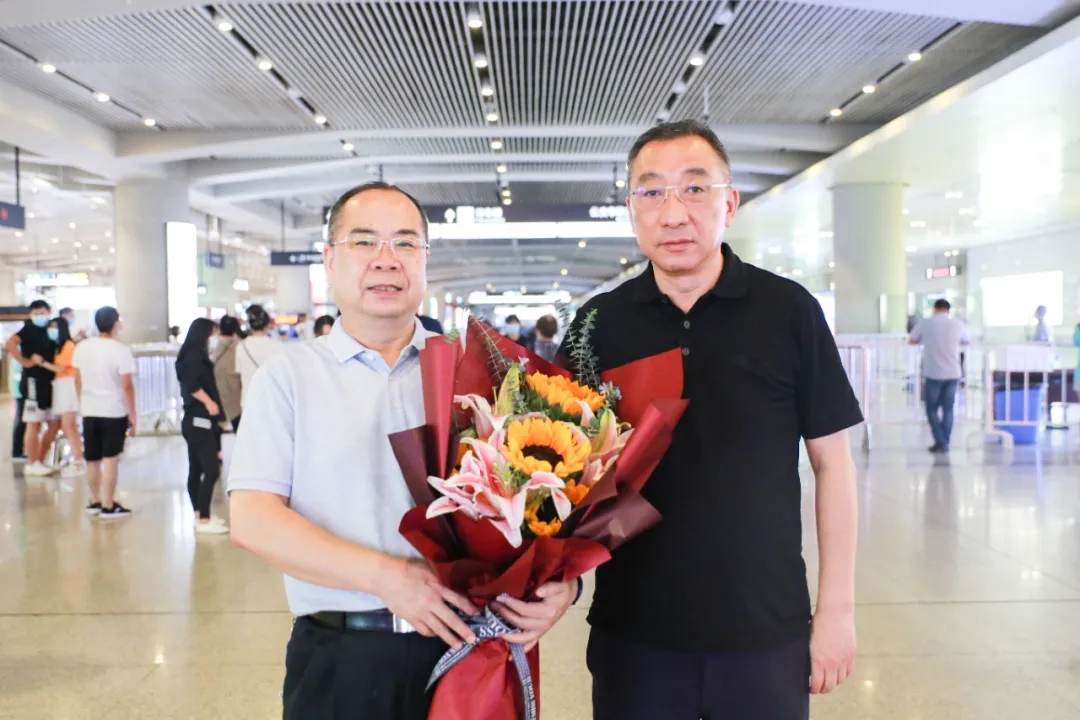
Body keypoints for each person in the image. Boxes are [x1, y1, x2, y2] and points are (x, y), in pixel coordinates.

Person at [228, 182, 577, 719]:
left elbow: (546, 496)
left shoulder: (479, 373)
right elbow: (253, 519)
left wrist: (562, 585)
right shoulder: (288, 377)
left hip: (472, 649)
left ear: (425, 260)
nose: (386, 259)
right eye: (364, 241)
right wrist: (387, 578)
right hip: (342, 658)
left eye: (406, 243)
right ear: (329, 259)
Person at [561, 120, 862, 720]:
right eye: (652, 192)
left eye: (695, 189)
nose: (673, 213)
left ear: (729, 203)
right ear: (632, 209)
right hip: (633, 635)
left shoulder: (789, 311)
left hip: (765, 632)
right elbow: (565, 481)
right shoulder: (598, 324)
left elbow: (833, 466)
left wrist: (836, 611)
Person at [72, 307, 136, 519]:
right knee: (110, 459)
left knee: (92, 459)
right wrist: (133, 414)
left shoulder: (82, 347)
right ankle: (108, 505)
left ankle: (94, 500)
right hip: (113, 411)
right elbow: (127, 386)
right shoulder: (121, 350)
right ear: (115, 324)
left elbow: (77, 379)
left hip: (89, 410)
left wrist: (83, 401)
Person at [177, 318, 229, 534]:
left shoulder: (193, 355)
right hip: (199, 420)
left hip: (197, 420)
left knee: (197, 468)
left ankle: (200, 514)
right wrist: (209, 402)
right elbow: (192, 384)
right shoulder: (193, 358)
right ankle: (204, 518)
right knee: (211, 469)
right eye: (212, 333)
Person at [6, 300, 60, 477]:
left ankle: (40, 459)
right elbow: (10, 343)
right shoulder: (28, 330)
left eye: (42, 312)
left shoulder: (50, 331)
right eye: (36, 313)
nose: (40, 316)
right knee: (33, 423)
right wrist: (24, 361)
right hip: (33, 382)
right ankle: (32, 462)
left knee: (54, 423)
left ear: (49, 312)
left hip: (49, 382)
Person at [910, 299, 970, 453]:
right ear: (948, 310)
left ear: (935, 309)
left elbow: (912, 339)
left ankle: (940, 440)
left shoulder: (926, 323)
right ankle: (945, 442)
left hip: (933, 373)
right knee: (948, 409)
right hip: (953, 373)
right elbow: (966, 341)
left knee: (931, 409)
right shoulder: (957, 324)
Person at [35, 317, 87, 477]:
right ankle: (77, 459)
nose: (52, 330)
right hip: (61, 385)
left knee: (68, 425)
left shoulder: (68, 346)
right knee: (65, 425)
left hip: (67, 385)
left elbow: (62, 368)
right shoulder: (60, 346)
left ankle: (78, 461)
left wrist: (42, 363)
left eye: (55, 326)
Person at [235, 304, 283, 412]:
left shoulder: (241, 346)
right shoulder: (277, 346)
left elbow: (239, 373)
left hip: (248, 400)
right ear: (267, 324)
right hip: (272, 399)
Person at [213, 316, 244, 432]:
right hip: (237, 395)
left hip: (217, 393)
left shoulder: (213, 345)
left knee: (215, 432)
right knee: (240, 430)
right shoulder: (241, 346)